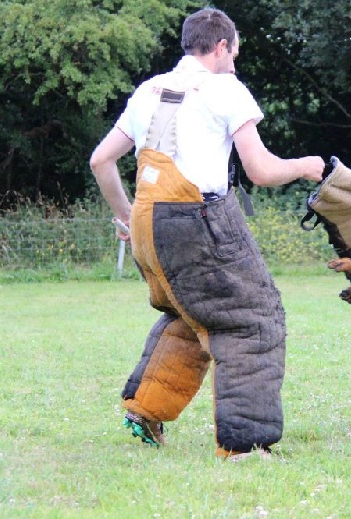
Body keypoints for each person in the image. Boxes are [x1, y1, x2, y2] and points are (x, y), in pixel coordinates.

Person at [89, 7, 325, 459]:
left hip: (148, 220)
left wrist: (128, 217)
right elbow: (261, 170)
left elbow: (101, 161)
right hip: (197, 217)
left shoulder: (148, 90)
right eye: (234, 53)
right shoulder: (224, 88)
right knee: (253, 319)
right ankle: (244, 445)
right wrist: (306, 167)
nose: (235, 62)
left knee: (191, 313)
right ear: (220, 47)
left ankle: (146, 409)